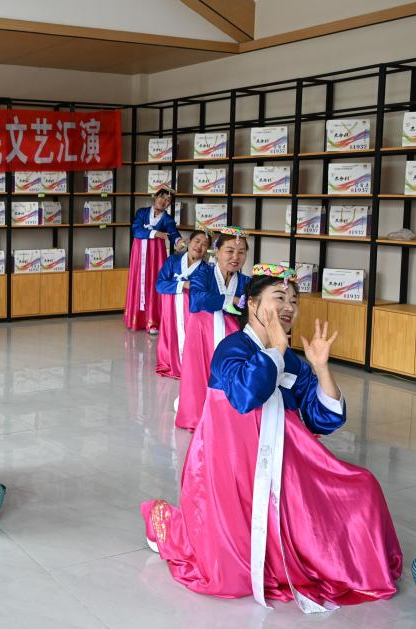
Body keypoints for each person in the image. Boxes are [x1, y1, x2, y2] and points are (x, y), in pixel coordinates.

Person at [142, 265, 402, 612]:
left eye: (294, 301)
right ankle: (164, 522)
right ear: (252, 304)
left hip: (285, 463)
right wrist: (278, 348)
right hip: (232, 470)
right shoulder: (231, 348)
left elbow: (322, 419)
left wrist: (321, 368)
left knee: (362, 488)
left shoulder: (293, 362)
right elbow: (245, 395)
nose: (289, 307)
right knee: (228, 575)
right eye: (279, 297)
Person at [174, 227, 250, 431]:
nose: (235, 257)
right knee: (198, 375)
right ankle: (195, 414)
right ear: (216, 251)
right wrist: (232, 300)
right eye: (230, 251)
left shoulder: (245, 282)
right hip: (201, 334)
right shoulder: (203, 272)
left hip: (230, 339)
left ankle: (226, 414)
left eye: (241, 252)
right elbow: (197, 299)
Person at [125, 187, 184, 333]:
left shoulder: (167, 219)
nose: (164, 201)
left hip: (156, 254)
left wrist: (178, 241)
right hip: (139, 253)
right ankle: (136, 319)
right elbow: (136, 230)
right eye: (162, 197)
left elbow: (173, 233)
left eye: (168, 200)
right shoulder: (142, 212)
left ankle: (153, 321)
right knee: (138, 281)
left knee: (154, 281)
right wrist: (156, 233)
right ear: (155, 197)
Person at [154, 230, 209, 379]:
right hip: (171, 311)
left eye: (204, 244)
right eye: (197, 241)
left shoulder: (205, 269)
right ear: (189, 242)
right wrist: (183, 284)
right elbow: (159, 285)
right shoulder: (173, 260)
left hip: (190, 312)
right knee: (171, 335)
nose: (199, 246)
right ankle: (170, 363)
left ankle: (190, 367)